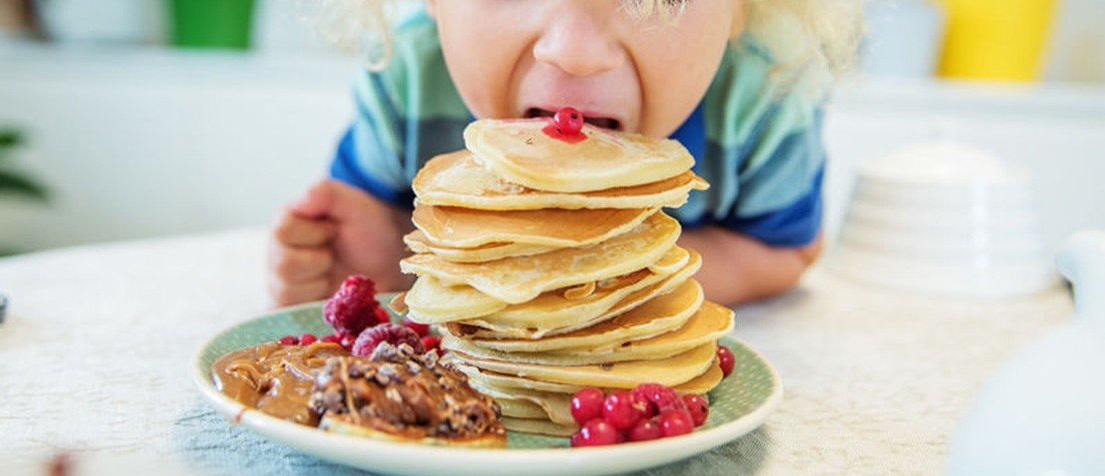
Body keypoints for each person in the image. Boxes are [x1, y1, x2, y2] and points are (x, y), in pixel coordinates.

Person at [268, 0, 862, 307]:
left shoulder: (767, 95)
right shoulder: (409, 72)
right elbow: (367, 227)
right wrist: (387, 249)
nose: (575, 52)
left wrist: (610, 281)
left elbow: (786, 248)